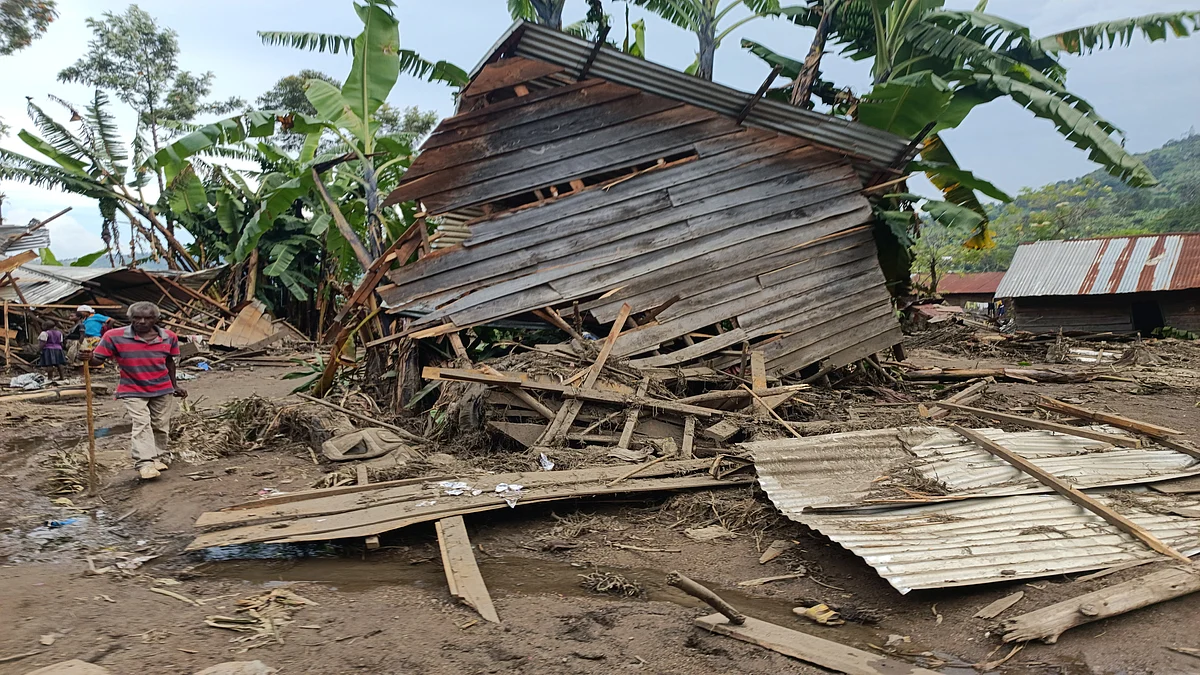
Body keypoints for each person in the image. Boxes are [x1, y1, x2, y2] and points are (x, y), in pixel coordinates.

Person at [84, 301, 188, 481]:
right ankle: (145, 463)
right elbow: (97, 359)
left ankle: (159, 456)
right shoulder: (113, 336)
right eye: (137, 318)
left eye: (147, 318)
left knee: (160, 425)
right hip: (132, 388)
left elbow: (169, 362)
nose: (142, 321)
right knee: (142, 423)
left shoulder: (169, 337)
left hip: (162, 388)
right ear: (130, 318)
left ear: (156, 319)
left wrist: (175, 385)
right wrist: (89, 357)